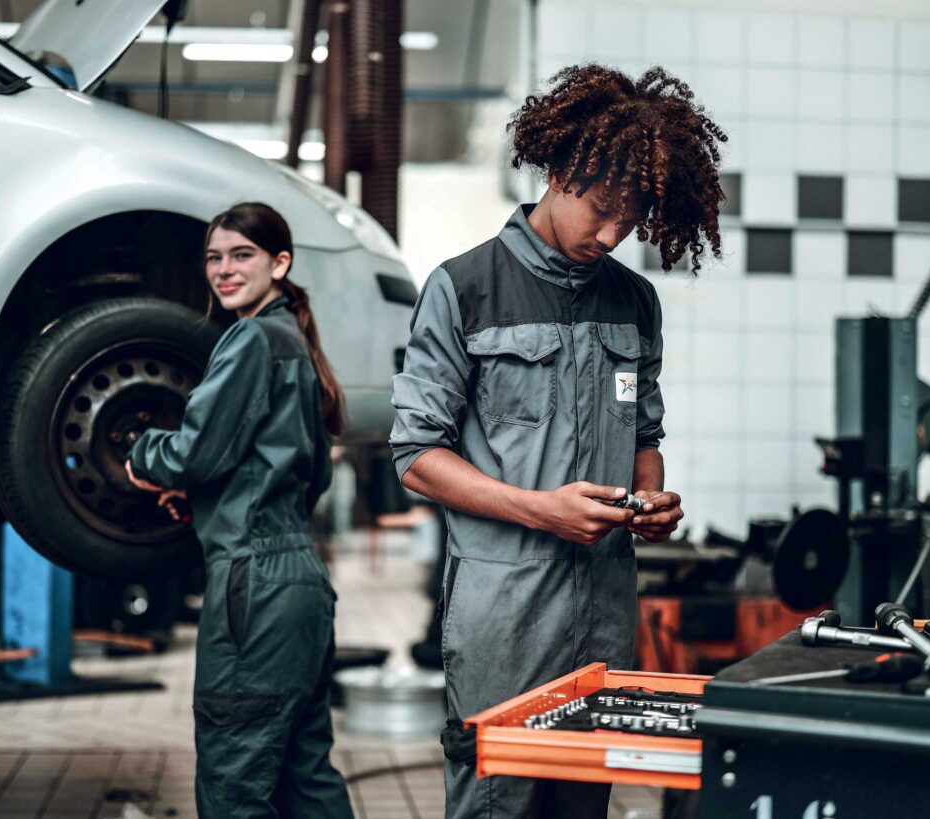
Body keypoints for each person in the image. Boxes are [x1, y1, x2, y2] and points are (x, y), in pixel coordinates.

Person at [390, 65, 726, 818]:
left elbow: (644, 430)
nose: (610, 234)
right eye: (601, 209)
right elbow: (415, 456)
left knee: (582, 804)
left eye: (630, 219)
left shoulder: (632, 301)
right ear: (556, 171)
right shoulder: (464, 287)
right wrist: (546, 511)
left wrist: (652, 496)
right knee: (495, 801)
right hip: (503, 611)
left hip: (603, 609)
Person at [124, 202, 354, 819]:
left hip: (255, 587)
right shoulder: (296, 347)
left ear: (280, 263)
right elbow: (298, 477)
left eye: (241, 255)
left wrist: (141, 456)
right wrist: (210, 500)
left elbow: (195, 454)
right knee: (306, 774)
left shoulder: (252, 338)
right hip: (300, 582)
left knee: (235, 779)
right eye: (213, 258)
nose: (224, 270)